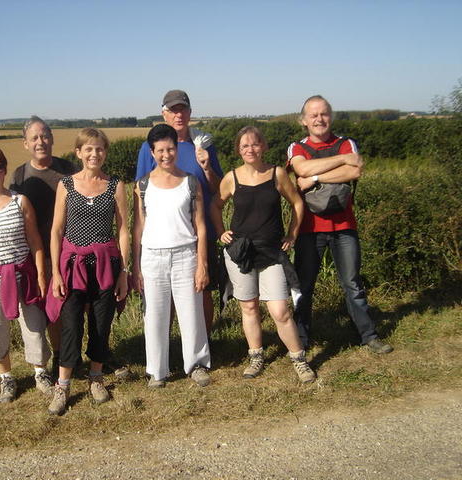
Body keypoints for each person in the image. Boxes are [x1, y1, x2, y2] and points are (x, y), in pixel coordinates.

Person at [287, 95, 393, 354]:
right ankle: (301, 338)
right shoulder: (296, 147)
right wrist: (338, 162)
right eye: (313, 115)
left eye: (324, 114)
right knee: (304, 286)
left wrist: (314, 177)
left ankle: (368, 336)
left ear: (330, 117)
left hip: (344, 226)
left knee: (353, 283)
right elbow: (300, 170)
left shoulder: (347, 143)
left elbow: (354, 171)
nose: (319, 119)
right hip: (309, 229)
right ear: (304, 120)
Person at [211, 126, 315, 383]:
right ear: (238, 150)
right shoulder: (231, 177)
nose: (250, 149)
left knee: (280, 310)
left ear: (264, 146)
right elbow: (215, 205)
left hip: (272, 252)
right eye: (244, 145)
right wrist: (221, 231)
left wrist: (292, 234)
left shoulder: (277, 174)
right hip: (241, 253)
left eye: (255, 144)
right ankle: (256, 356)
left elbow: (297, 202)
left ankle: (299, 359)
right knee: (249, 307)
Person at [46, 128, 130, 415]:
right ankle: (63, 385)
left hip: (106, 264)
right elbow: (57, 230)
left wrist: (123, 271)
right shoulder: (66, 185)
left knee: (101, 322)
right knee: (70, 324)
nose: (95, 154)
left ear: (105, 153)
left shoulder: (115, 185)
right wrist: (56, 273)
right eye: (89, 149)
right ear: (78, 152)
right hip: (72, 267)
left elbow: (122, 230)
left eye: (100, 149)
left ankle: (96, 377)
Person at [135, 90, 223, 334]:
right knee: (165, 297)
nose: (179, 114)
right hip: (164, 235)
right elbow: (140, 192)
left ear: (190, 112)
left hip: (200, 231)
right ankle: (172, 346)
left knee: (202, 289)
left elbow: (220, 190)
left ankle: (203, 343)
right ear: (164, 113)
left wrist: (206, 168)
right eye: (173, 110)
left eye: (183, 109)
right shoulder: (150, 147)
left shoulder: (204, 143)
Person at [0, 147, 52, 403]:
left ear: (5, 170)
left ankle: (40, 372)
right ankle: (6, 377)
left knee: (34, 327)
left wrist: (40, 275)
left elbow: (35, 240)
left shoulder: (20, 201)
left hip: (22, 275)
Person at [133, 124, 212, 388]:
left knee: (192, 313)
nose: (166, 155)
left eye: (170, 149)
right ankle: (157, 371)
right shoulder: (142, 186)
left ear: (176, 149)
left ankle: (197, 364)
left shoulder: (191, 182)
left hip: (185, 255)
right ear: (152, 152)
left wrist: (202, 264)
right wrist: (136, 267)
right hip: (152, 258)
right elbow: (138, 228)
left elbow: (200, 226)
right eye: (160, 150)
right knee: (154, 316)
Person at [9, 116, 78, 376]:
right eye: (35, 138)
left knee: (75, 306)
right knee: (52, 310)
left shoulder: (68, 168)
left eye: (45, 136)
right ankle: (60, 356)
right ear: (25, 143)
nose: (41, 142)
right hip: (39, 255)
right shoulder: (19, 175)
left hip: (71, 250)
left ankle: (75, 355)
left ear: (52, 138)